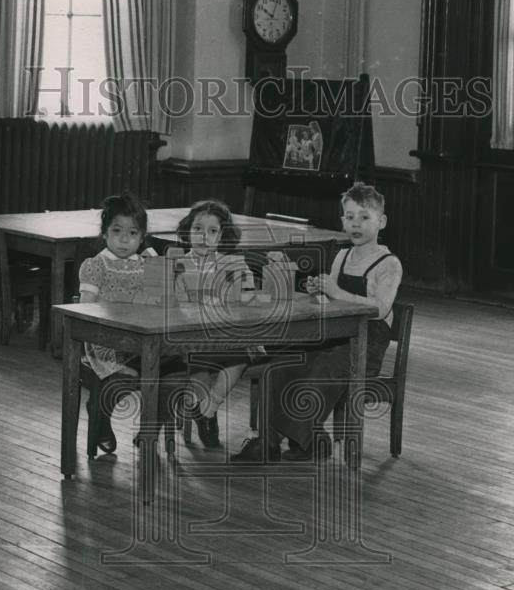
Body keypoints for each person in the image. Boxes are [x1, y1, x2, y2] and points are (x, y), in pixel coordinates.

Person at [231, 183, 403, 463]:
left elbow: (381, 308)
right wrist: (320, 291)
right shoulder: (342, 256)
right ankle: (269, 443)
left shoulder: (388, 263)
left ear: (381, 221)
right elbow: (332, 301)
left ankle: (310, 440)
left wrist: (337, 293)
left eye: (364, 217)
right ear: (342, 221)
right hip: (334, 337)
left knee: (322, 370)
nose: (355, 224)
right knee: (279, 365)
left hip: (364, 347)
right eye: (349, 217)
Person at [77, 192, 164, 454]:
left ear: (142, 236)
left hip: (141, 340)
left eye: (133, 233)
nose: (125, 239)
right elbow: (86, 310)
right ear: (104, 233)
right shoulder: (97, 266)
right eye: (117, 231)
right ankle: (100, 416)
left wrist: (155, 262)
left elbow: (162, 298)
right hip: (104, 342)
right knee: (121, 378)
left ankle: (149, 431)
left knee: (172, 374)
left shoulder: (146, 264)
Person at [174, 199, 258, 449]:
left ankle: (208, 410)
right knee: (197, 361)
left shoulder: (233, 264)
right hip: (189, 339)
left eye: (212, 231)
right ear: (187, 231)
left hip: (226, 336)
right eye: (197, 229)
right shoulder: (178, 265)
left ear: (222, 236)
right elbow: (174, 306)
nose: (203, 236)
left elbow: (249, 299)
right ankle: (203, 410)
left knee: (242, 354)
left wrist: (246, 286)